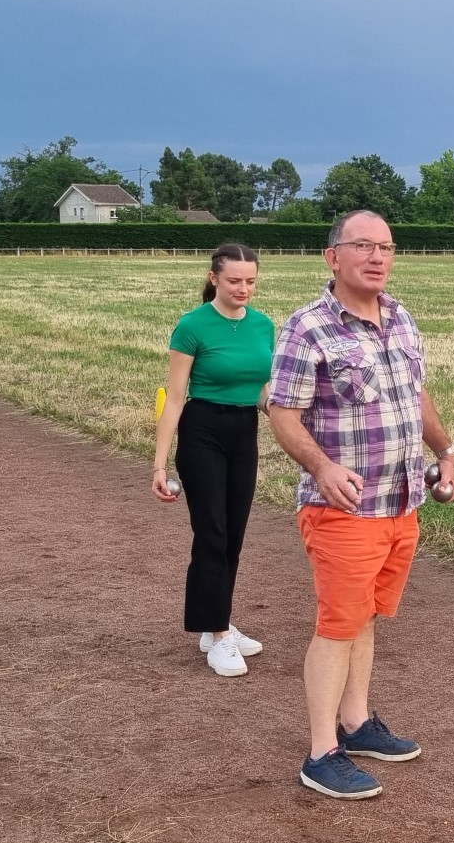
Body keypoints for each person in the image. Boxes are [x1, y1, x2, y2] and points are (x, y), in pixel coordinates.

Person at [267, 210, 454, 800]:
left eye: (386, 247)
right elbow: (281, 412)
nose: (377, 257)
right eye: (363, 246)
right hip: (344, 509)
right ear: (333, 256)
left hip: (401, 504)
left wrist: (446, 451)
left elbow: (415, 394)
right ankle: (321, 752)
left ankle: (356, 724)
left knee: (366, 619)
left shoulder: (401, 318)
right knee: (336, 626)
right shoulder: (309, 328)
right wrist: (321, 468)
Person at [152, 243, 275, 677]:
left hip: (244, 431)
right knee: (212, 532)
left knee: (235, 533)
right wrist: (160, 464)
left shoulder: (263, 326)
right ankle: (218, 635)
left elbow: (261, 389)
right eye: (234, 280)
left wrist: (289, 414)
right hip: (202, 429)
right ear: (214, 278)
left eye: (251, 281)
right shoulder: (192, 326)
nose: (244, 288)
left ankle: (215, 621)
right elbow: (174, 398)